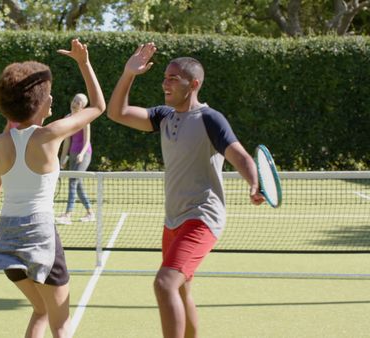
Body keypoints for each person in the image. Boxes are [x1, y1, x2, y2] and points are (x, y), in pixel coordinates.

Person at [107, 42, 265, 338]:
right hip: (173, 220)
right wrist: (129, 73)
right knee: (180, 290)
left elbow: (241, 156)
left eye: (173, 78)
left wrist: (254, 182)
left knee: (164, 283)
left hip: (202, 217)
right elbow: (117, 112)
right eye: (165, 77)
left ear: (193, 84)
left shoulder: (210, 119)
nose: (165, 83)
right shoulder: (164, 117)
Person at [0, 38, 106, 338]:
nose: (52, 99)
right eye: (48, 95)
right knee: (61, 324)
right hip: (39, 234)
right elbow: (99, 106)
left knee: (41, 311)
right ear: (39, 103)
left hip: (6, 239)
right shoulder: (50, 134)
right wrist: (84, 63)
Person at [55, 93, 95, 225]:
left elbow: (87, 140)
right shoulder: (67, 118)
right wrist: (62, 160)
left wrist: (82, 154)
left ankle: (68, 215)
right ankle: (90, 213)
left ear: (83, 107)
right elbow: (66, 141)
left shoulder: (85, 120)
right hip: (72, 154)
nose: (75, 103)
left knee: (73, 182)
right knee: (77, 185)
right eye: (74, 100)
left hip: (84, 154)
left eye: (79, 102)